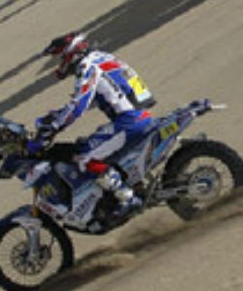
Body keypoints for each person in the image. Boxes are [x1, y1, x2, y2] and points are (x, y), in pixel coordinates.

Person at [33, 32, 156, 222]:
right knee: (91, 143)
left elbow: (79, 105)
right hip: (136, 115)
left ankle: (127, 198)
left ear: (70, 53)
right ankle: (135, 184)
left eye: (59, 58)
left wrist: (54, 126)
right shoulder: (102, 57)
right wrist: (55, 115)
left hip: (129, 120)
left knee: (84, 155)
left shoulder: (87, 66)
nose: (58, 64)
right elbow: (101, 94)